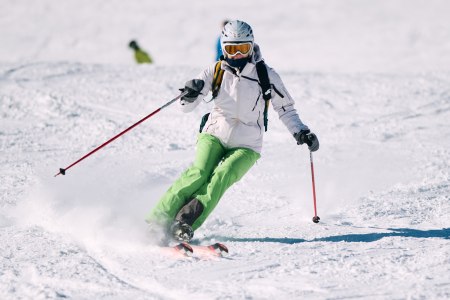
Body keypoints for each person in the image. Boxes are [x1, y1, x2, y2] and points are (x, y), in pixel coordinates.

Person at [145, 20, 319, 244]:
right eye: (231, 49)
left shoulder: (266, 75)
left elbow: (285, 108)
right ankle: (157, 221)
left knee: (221, 177)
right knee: (199, 173)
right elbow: (187, 107)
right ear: (223, 48)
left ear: (252, 46)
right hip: (215, 133)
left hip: (247, 145)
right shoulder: (214, 71)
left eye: (243, 48)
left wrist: (301, 131)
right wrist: (189, 94)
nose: (236, 55)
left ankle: (184, 223)